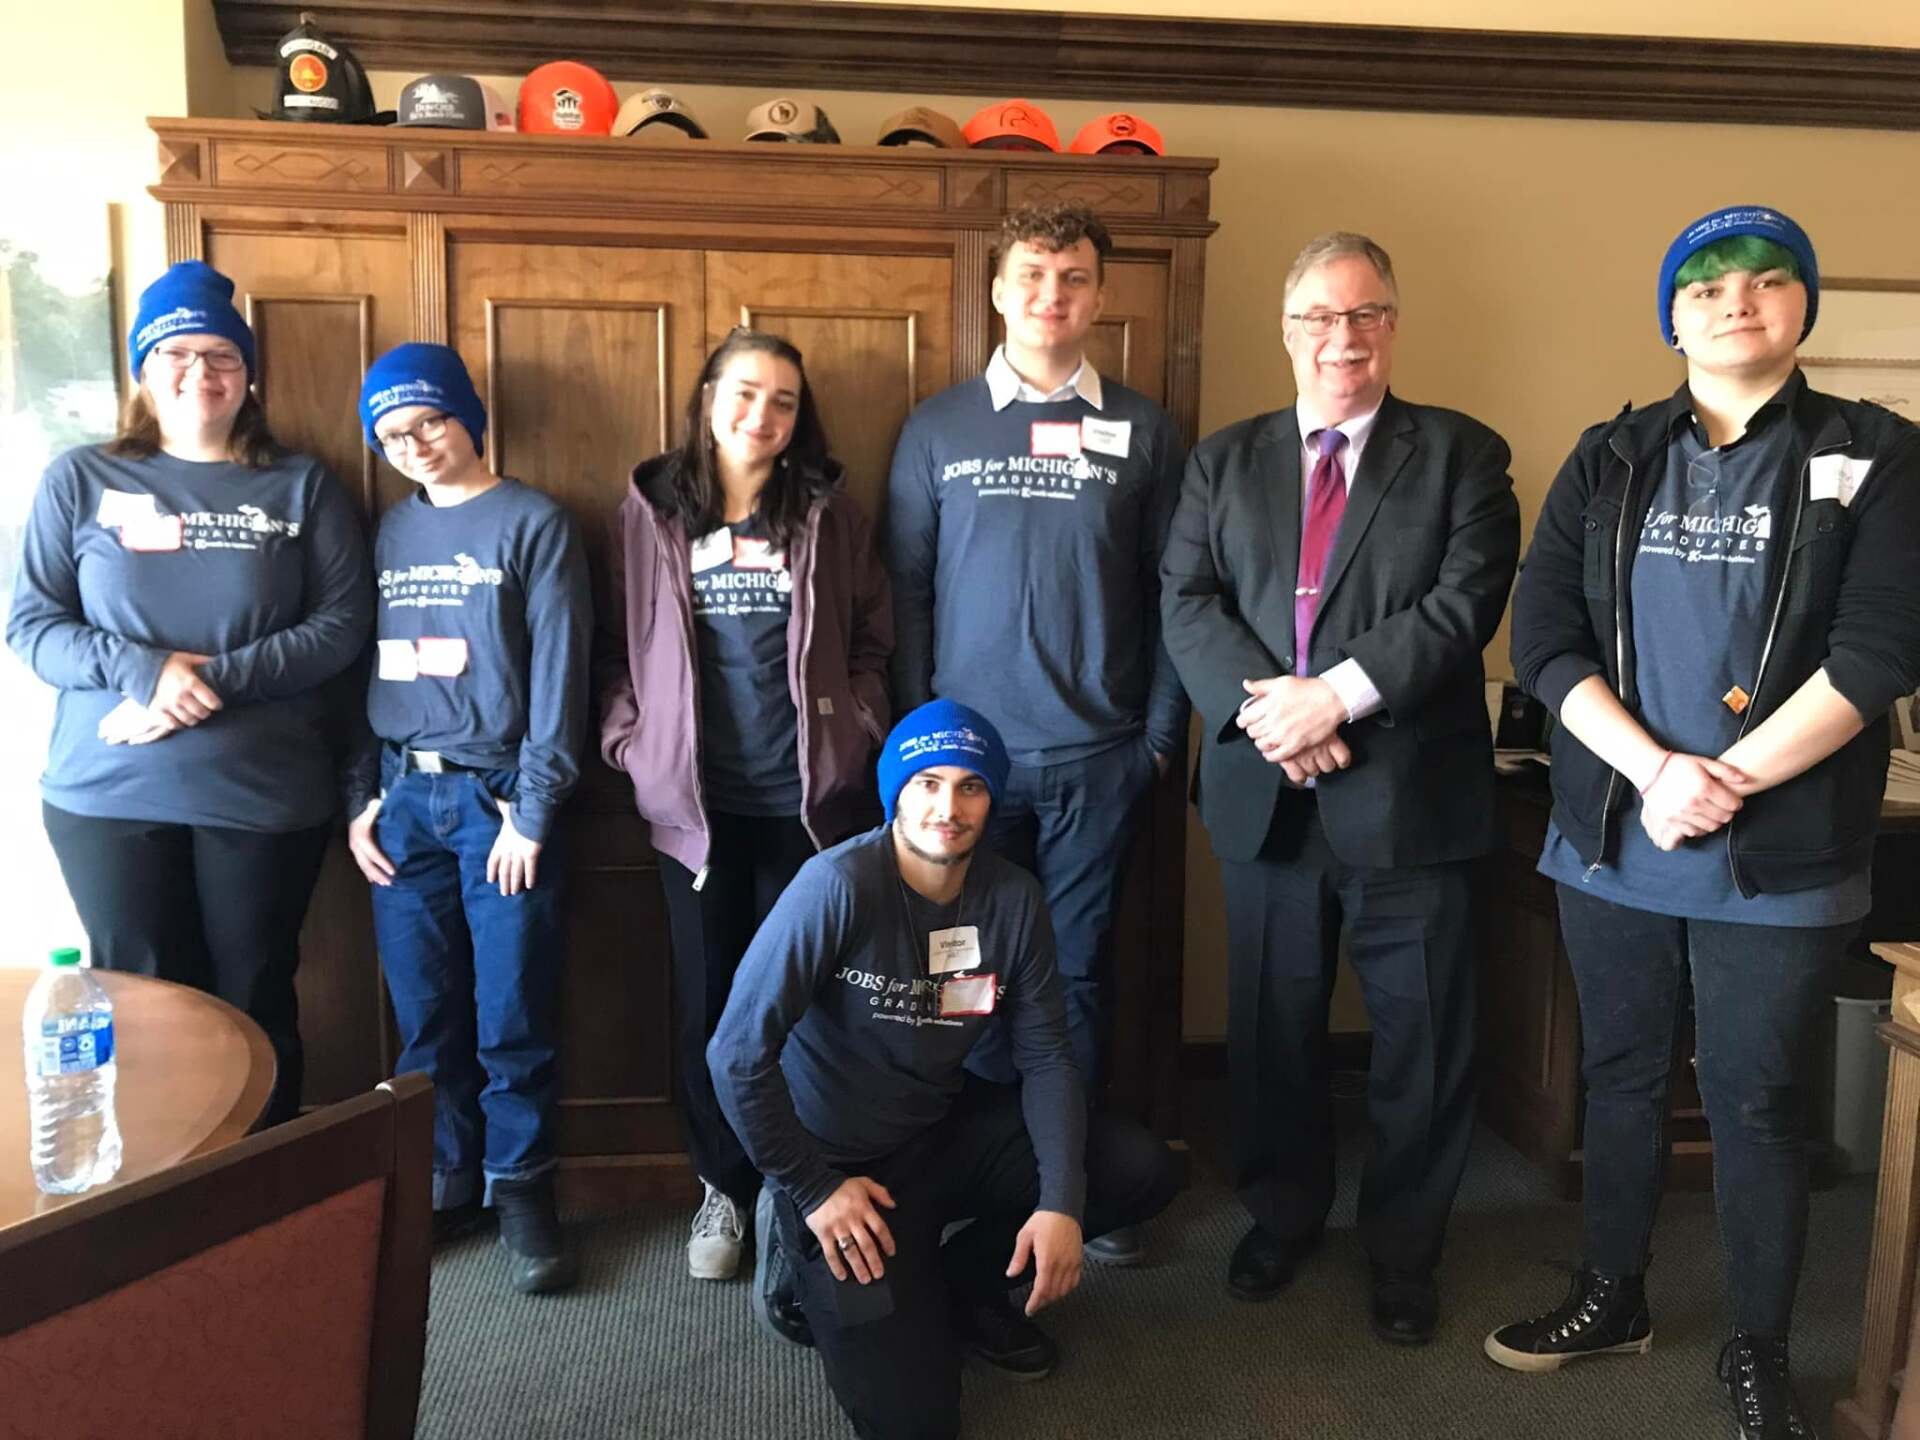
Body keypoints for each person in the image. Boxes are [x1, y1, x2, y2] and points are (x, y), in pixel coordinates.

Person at [1494, 205, 1920, 1438]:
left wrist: (1721, 780)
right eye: (1708, 284)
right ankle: (1612, 1294)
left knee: (1756, 1102)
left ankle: (1758, 1348)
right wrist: (1654, 773)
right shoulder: (1610, 456)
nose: (1738, 300)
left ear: (1803, 305)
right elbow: (1545, 639)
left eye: (1768, 279)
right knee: (1619, 1079)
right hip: (1613, 837)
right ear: (1672, 317)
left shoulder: (1879, 454)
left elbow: (1879, 651)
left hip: (1778, 854)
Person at [1160, 231, 1520, 1343]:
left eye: (1364, 314)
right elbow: (1188, 600)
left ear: (1393, 326)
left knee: (1423, 1041)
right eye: (1319, 316)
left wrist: (1337, 698)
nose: (1342, 337)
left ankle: (1406, 1250)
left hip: (1410, 800)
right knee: (1271, 1029)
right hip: (1267, 794)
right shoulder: (1223, 461)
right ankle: (1283, 1215)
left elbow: (1462, 606)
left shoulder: (1463, 455)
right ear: (1288, 330)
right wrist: (1276, 716)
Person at [708, 699, 1179, 1440]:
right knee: (914, 1423)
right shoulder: (837, 886)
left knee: (1137, 1168)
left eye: (970, 787)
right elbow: (735, 1052)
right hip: (839, 1168)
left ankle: (965, 1285)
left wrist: (1062, 1202)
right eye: (927, 783)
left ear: (992, 800)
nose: (948, 808)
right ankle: (791, 1238)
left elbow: (1046, 1056)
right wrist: (810, 1185)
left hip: (940, 1127)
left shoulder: (1013, 899)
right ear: (896, 792)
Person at [886, 202, 1188, 1264]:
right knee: (965, 979)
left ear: (1099, 296)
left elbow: (1174, 595)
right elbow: (907, 594)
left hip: (1101, 760)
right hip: (969, 773)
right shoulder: (937, 428)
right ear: (998, 291)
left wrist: (1159, 739)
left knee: (1081, 977)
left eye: (1072, 277)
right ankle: (984, 1180)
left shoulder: (1145, 430)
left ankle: (1075, 1185)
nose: (1050, 296)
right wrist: (924, 751)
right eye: (1032, 275)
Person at [8, 260, 371, 1126]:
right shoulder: (79, 479)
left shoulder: (302, 484)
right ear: (144, 370)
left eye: (220, 355)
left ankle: (269, 1193)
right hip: (108, 797)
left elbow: (343, 625)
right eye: (175, 353)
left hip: (262, 795)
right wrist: (144, 672)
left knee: (255, 1003)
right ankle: (166, 1200)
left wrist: (205, 680)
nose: (198, 372)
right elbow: (32, 626)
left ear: (248, 375)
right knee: (143, 1009)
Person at [599, 327, 892, 1282]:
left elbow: (873, 639)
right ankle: (721, 1185)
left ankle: (793, 1186)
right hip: (695, 815)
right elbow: (614, 646)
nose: (762, 414)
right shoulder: (650, 513)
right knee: (709, 1005)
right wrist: (632, 742)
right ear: (707, 399)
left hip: (807, 809)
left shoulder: (829, 516)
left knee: (802, 1006)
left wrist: (857, 726)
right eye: (745, 392)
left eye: (783, 401)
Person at [343, 343, 590, 1293]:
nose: (414, 445)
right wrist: (361, 800)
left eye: (430, 422)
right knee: (424, 1013)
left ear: (468, 418)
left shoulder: (534, 523)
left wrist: (534, 811)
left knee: (512, 1010)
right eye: (393, 435)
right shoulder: (387, 533)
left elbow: (562, 679)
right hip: (402, 803)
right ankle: (446, 1181)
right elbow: (359, 671)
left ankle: (522, 1187)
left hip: (501, 804)